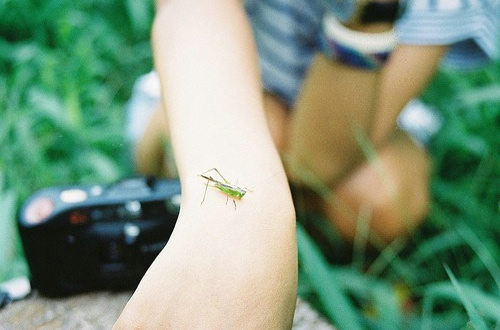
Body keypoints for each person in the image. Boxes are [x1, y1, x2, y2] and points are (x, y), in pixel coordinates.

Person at [115, 0, 498, 328]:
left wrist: (371, 13)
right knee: (250, 141)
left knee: (382, 195)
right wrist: (239, 226)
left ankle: (352, 268)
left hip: (346, 114)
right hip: (220, 85)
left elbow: (315, 160)